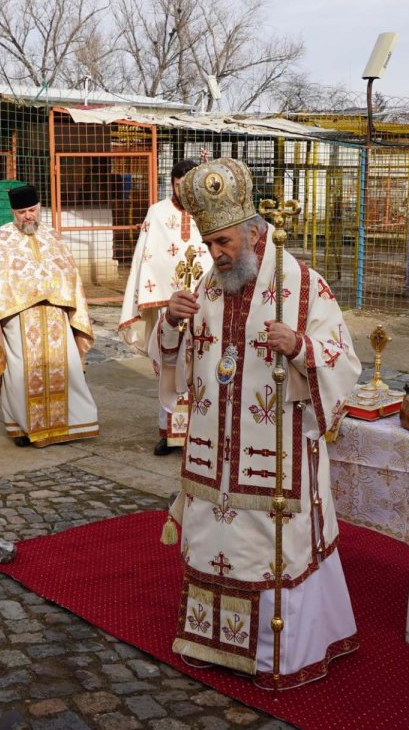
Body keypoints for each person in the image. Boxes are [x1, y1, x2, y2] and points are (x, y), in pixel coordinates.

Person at [153, 157, 362, 689]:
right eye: (209, 244)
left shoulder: (304, 286)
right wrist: (171, 323)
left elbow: (344, 362)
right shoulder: (205, 286)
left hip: (274, 465)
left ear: (252, 231)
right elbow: (174, 370)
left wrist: (301, 348)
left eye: (224, 242)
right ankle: (208, 641)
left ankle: (276, 654)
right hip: (210, 460)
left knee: (270, 549)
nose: (217, 255)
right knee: (210, 540)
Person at [0, 183, 99, 447]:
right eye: (22, 211)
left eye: (32, 210)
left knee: (64, 365)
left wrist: (61, 298)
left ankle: (72, 422)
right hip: (19, 317)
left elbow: (69, 274)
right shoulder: (2, 238)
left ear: (39, 208)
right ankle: (23, 427)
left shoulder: (52, 236)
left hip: (55, 314)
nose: (28, 216)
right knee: (22, 371)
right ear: (13, 213)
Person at [118, 158, 210, 455]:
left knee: (201, 367)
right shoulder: (157, 213)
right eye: (177, 185)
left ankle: (200, 435)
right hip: (167, 308)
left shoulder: (209, 212)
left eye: (188, 185)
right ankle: (169, 434)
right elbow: (147, 258)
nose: (183, 191)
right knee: (167, 366)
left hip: (201, 306)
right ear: (172, 183)